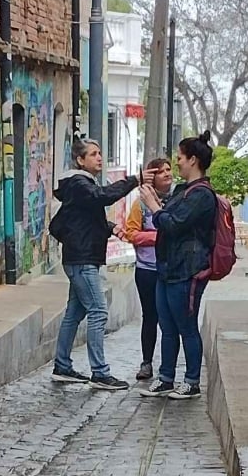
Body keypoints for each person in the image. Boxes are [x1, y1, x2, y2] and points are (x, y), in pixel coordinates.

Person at [50, 137, 139, 390]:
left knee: (75, 312)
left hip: (80, 256)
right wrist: (133, 181)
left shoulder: (78, 185)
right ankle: (99, 372)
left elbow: (82, 218)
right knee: (98, 311)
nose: (99, 158)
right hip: (82, 259)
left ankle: (62, 366)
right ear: (80, 160)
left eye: (100, 153)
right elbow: (102, 197)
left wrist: (110, 227)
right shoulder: (79, 183)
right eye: (93, 154)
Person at [139, 131, 218, 401]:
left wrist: (153, 208)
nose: (178, 163)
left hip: (188, 270)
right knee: (167, 327)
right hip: (167, 267)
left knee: (186, 326)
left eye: (181, 158)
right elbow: (169, 216)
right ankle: (166, 378)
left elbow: (172, 224)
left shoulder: (202, 195)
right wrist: (153, 198)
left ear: (193, 160)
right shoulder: (182, 191)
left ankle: (192, 381)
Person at [122, 157, 174, 381]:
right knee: (150, 316)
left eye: (169, 170)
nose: (168, 174)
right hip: (147, 270)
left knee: (170, 320)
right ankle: (147, 362)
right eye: (162, 171)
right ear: (152, 177)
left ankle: (168, 367)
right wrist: (159, 236)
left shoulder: (177, 201)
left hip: (172, 270)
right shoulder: (140, 205)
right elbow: (131, 233)